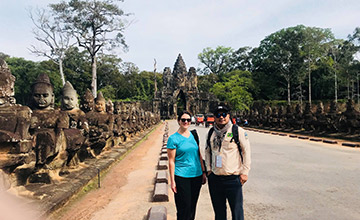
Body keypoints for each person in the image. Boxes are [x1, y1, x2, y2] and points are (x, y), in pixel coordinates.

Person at [205, 105, 251, 220]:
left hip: (233, 178)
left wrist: (245, 172)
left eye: (224, 114)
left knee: (237, 212)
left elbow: (246, 152)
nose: (222, 117)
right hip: (215, 178)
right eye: (218, 115)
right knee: (219, 212)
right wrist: (209, 170)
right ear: (214, 117)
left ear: (228, 116)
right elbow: (207, 152)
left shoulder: (237, 131)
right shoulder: (211, 133)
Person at [167, 111, 207, 220]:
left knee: (192, 206)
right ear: (178, 121)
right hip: (181, 176)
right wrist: (172, 181)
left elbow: (199, 155)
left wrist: (203, 172)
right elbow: (171, 161)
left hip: (196, 175)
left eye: (188, 120)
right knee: (184, 207)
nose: (186, 122)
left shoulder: (194, 135)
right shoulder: (173, 138)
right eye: (183, 120)